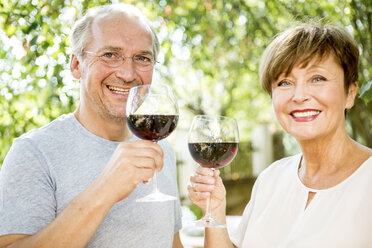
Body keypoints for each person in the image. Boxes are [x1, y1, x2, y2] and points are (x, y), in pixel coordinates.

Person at [0, 4, 183, 248]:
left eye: (142, 58)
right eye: (110, 55)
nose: (128, 74)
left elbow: (171, 244)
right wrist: (105, 189)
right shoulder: (34, 152)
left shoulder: (162, 150)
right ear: (76, 65)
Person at [188, 20, 372, 247]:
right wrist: (214, 208)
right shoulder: (270, 179)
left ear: (350, 94)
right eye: (285, 82)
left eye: (317, 78)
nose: (299, 95)